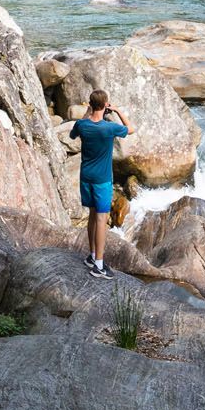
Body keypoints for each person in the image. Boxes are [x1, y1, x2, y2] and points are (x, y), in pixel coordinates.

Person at [70, 89, 133, 280]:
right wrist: (118, 111)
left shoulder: (82, 125)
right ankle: (98, 265)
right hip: (102, 181)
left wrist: (87, 112)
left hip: (86, 177)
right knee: (101, 220)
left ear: (90, 105)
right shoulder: (109, 128)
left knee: (91, 215)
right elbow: (130, 129)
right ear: (105, 105)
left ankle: (91, 256)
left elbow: (73, 134)